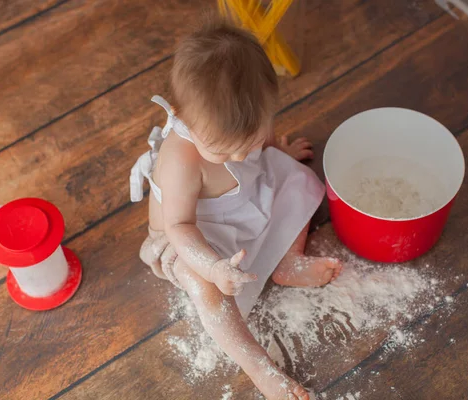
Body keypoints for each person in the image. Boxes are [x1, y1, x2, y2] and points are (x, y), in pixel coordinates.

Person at [130, 17, 342, 400]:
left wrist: (276, 151)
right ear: (181, 115)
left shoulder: (247, 123)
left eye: (251, 138)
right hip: (196, 236)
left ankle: (287, 261)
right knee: (206, 289)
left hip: (247, 200)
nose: (242, 154)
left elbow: (259, 141)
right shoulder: (181, 160)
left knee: (298, 180)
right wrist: (212, 265)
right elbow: (178, 226)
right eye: (225, 150)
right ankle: (260, 367)